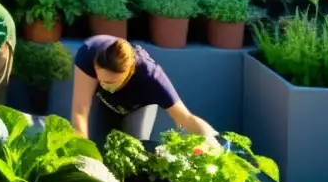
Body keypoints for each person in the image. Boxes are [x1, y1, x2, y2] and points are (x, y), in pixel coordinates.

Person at [71, 35, 219, 149]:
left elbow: (184, 118)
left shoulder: (151, 76)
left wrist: (214, 143)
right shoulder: (88, 54)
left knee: (132, 152)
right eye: (101, 80)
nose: (104, 85)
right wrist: (83, 154)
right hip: (103, 104)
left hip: (137, 108)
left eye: (111, 82)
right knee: (97, 149)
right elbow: (79, 111)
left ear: (129, 71)